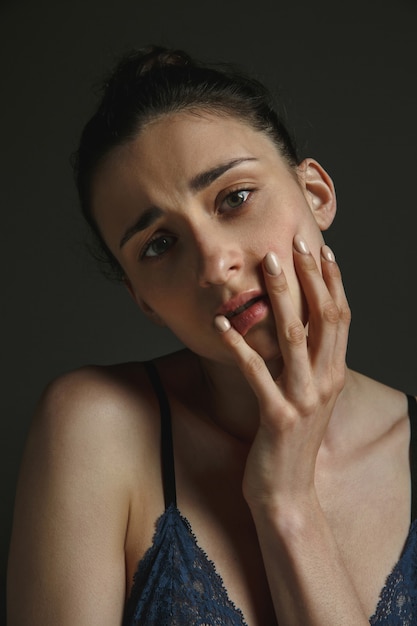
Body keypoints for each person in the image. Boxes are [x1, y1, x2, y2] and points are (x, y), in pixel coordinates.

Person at [7, 45, 417, 626]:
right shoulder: (97, 427)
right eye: (159, 244)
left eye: (235, 198)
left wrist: (287, 502)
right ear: (143, 298)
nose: (214, 263)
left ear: (316, 194)